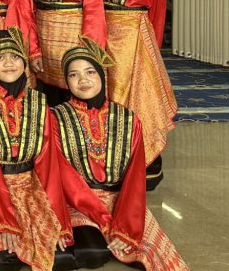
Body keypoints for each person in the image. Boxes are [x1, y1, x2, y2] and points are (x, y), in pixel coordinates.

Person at [54, 39, 189, 271]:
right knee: (91, 254)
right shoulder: (55, 118)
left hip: (121, 201)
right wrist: (104, 221)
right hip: (76, 203)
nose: (83, 80)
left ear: (102, 75)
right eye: (74, 75)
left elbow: (135, 177)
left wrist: (126, 226)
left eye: (90, 72)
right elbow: (64, 177)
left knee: (141, 251)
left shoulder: (128, 119)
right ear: (67, 81)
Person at [0, 28, 73, 271]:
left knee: (61, 256)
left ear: (24, 62)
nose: (8, 63)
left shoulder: (39, 101)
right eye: (0, 57)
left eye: (15, 57)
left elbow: (48, 161)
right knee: (2, 261)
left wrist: (58, 217)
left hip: (31, 187)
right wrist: (2, 218)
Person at [96, 0, 177, 190]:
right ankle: (107, 162)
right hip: (101, 34)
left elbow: (157, 11)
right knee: (102, 97)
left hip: (135, 36)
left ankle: (145, 166)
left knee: (138, 100)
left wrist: (151, 50)